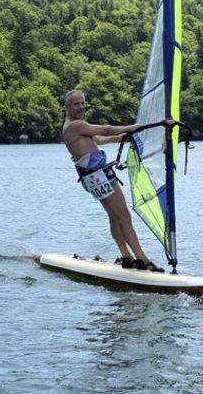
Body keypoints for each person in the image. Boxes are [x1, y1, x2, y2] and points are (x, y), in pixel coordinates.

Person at [61, 89, 164, 272]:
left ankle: (126, 256)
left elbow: (97, 139)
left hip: (91, 178)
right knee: (124, 217)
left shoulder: (73, 126)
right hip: (99, 176)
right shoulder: (75, 125)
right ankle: (142, 260)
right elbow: (106, 129)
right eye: (76, 103)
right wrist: (132, 127)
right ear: (67, 106)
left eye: (83, 103)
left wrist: (118, 138)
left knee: (115, 217)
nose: (81, 107)